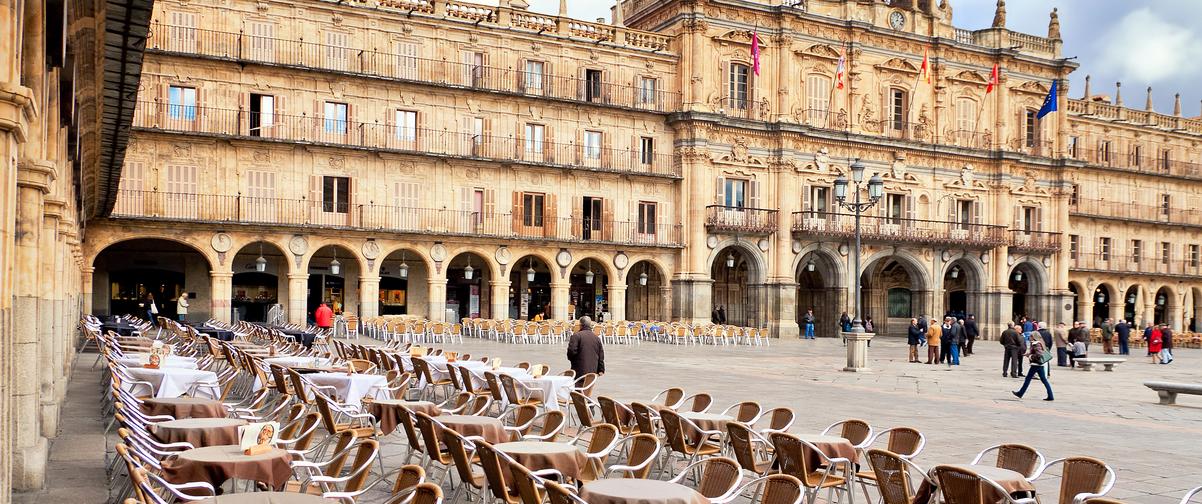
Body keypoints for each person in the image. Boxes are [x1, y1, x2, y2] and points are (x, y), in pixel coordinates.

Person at [1012, 334, 1054, 401]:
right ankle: (1050, 396)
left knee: (1028, 378)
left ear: (1033, 337)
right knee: (1044, 380)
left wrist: (1030, 356)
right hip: (1039, 364)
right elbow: (1036, 352)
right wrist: (1028, 354)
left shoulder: (1036, 344)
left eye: (1030, 336)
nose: (1029, 337)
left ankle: (1020, 393)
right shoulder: (1037, 343)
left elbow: (1039, 354)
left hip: (1036, 364)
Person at [567, 316, 605, 381]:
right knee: (588, 389)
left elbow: (571, 352)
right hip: (592, 373)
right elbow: (601, 355)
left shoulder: (576, 336)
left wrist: (574, 360)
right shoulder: (596, 338)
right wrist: (601, 369)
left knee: (578, 389)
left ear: (580, 325)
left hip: (579, 370)